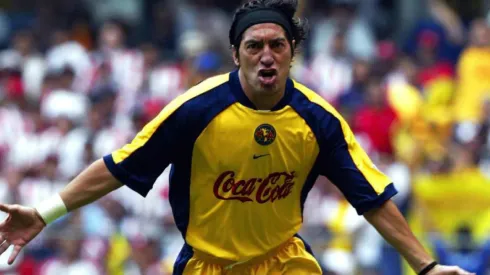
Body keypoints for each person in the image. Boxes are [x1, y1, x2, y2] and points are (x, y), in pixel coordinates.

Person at [0, 0, 475, 274]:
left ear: (291, 55)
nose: (266, 55)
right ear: (236, 54)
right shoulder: (196, 109)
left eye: (277, 45)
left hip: (283, 261)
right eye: (255, 46)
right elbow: (120, 166)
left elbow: (371, 196)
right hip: (209, 265)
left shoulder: (319, 120)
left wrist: (426, 266)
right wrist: (45, 213)